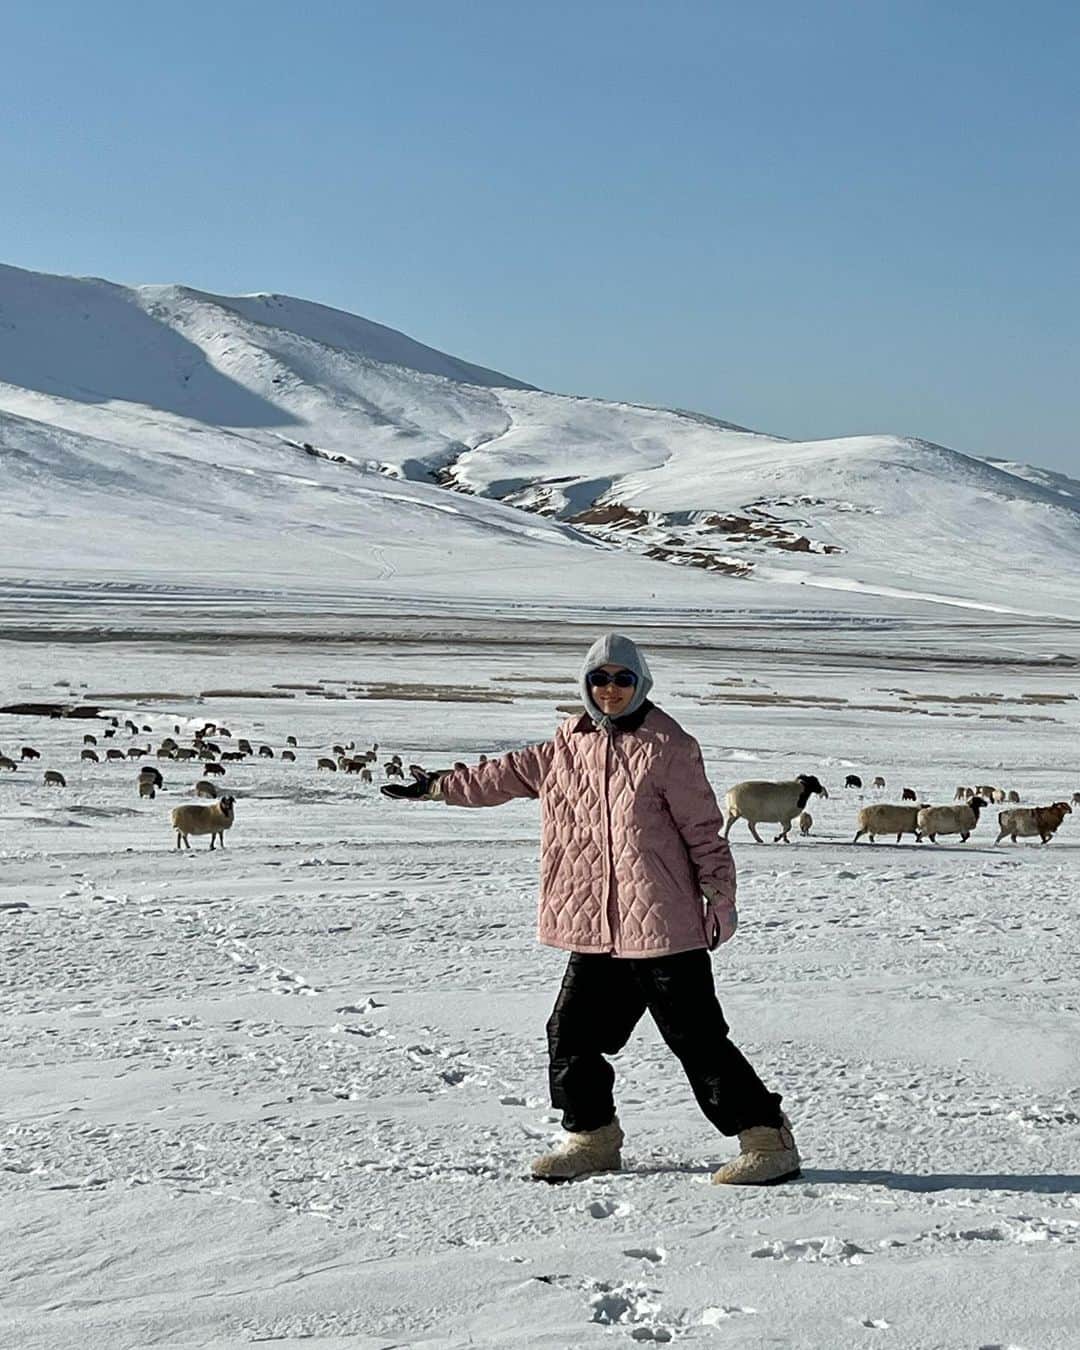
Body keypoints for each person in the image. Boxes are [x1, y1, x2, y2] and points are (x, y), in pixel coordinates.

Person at [382, 632, 800, 1185]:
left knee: (695, 1038)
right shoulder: (567, 745)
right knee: (570, 1033)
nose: (610, 689)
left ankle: (767, 1139)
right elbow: (499, 775)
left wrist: (720, 898)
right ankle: (592, 1137)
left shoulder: (668, 746)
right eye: (598, 679)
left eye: (622, 678)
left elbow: (704, 831)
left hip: (662, 923)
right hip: (597, 926)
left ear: (641, 683)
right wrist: (438, 786)